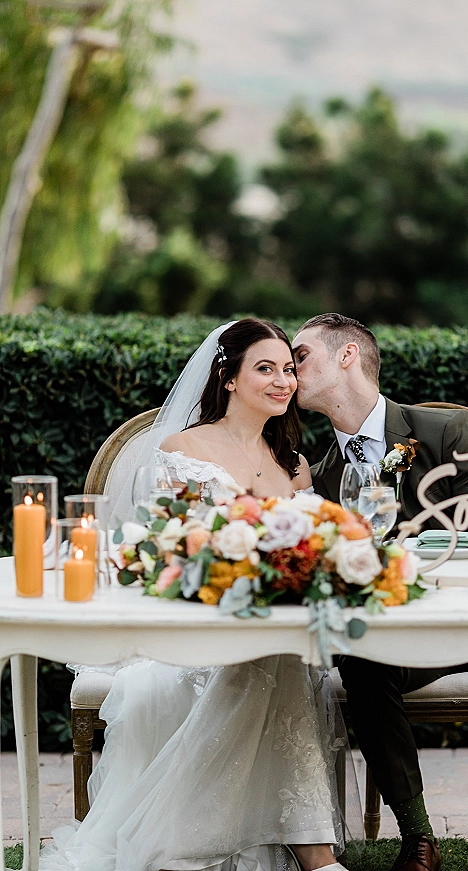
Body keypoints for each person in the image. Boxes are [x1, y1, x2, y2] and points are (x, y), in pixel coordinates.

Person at [40, 319, 357, 871]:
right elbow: (168, 554)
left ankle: (248, 847)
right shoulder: (182, 448)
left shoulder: (294, 466)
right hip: (192, 636)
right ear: (228, 378)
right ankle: (312, 855)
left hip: (270, 627)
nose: (283, 381)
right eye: (265, 368)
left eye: (288, 369)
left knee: (277, 653)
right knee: (273, 659)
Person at [292, 313, 468, 871]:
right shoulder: (322, 479)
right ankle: (418, 837)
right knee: (360, 660)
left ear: (347, 355)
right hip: (406, 642)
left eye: (301, 355)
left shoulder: (449, 431)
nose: (290, 368)